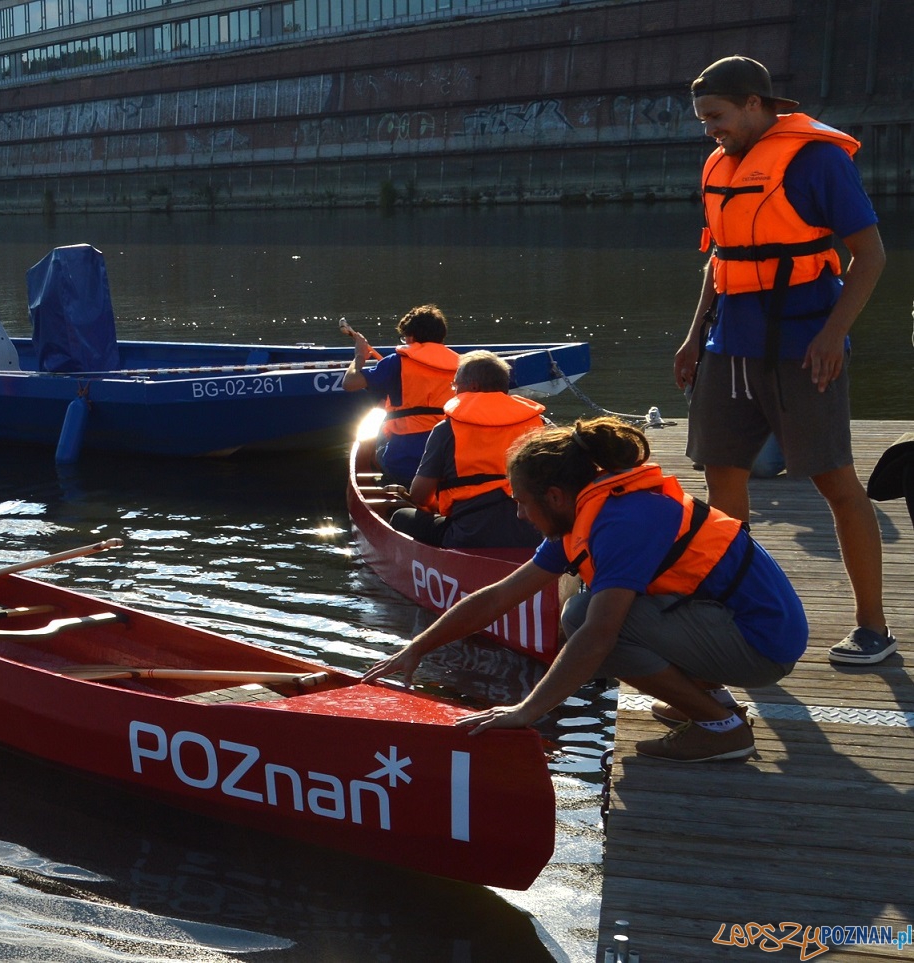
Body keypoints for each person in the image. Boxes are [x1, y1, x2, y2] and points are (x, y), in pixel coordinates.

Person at [363, 417, 808, 763]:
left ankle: (721, 728)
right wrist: (417, 649)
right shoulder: (588, 512)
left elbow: (599, 637)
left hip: (761, 645)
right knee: (584, 613)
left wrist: (526, 711)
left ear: (555, 496)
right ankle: (707, 698)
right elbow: (500, 596)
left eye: (521, 500)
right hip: (729, 625)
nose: (518, 514)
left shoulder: (621, 521)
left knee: (584, 620)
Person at [676, 55, 892, 665]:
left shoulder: (816, 160)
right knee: (721, 480)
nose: (709, 130)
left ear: (755, 103)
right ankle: (736, 612)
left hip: (802, 347)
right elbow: (721, 261)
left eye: (716, 116)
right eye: (702, 120)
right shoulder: (721, 162)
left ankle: (872, 627)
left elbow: (870, 256)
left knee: (835, 481)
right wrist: (694, 337)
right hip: (727, 346)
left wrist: (833, 334)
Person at [387, 350, 546, 549]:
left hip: (469, 537)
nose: (453, 390)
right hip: (534, 536)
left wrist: (438, 506)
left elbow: (419, 495)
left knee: (401, 517)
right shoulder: (540, 423)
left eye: (455, 384)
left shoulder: (447, 429)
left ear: (473, 386)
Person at [342, 305, 460, 485]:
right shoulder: (463, 365)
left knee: (378, 426)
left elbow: (350, 383)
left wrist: (359, 356)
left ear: (411, 337)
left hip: (404, 465)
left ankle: (390, 479)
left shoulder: (396, 362)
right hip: (450, 466)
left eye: (404, 338)